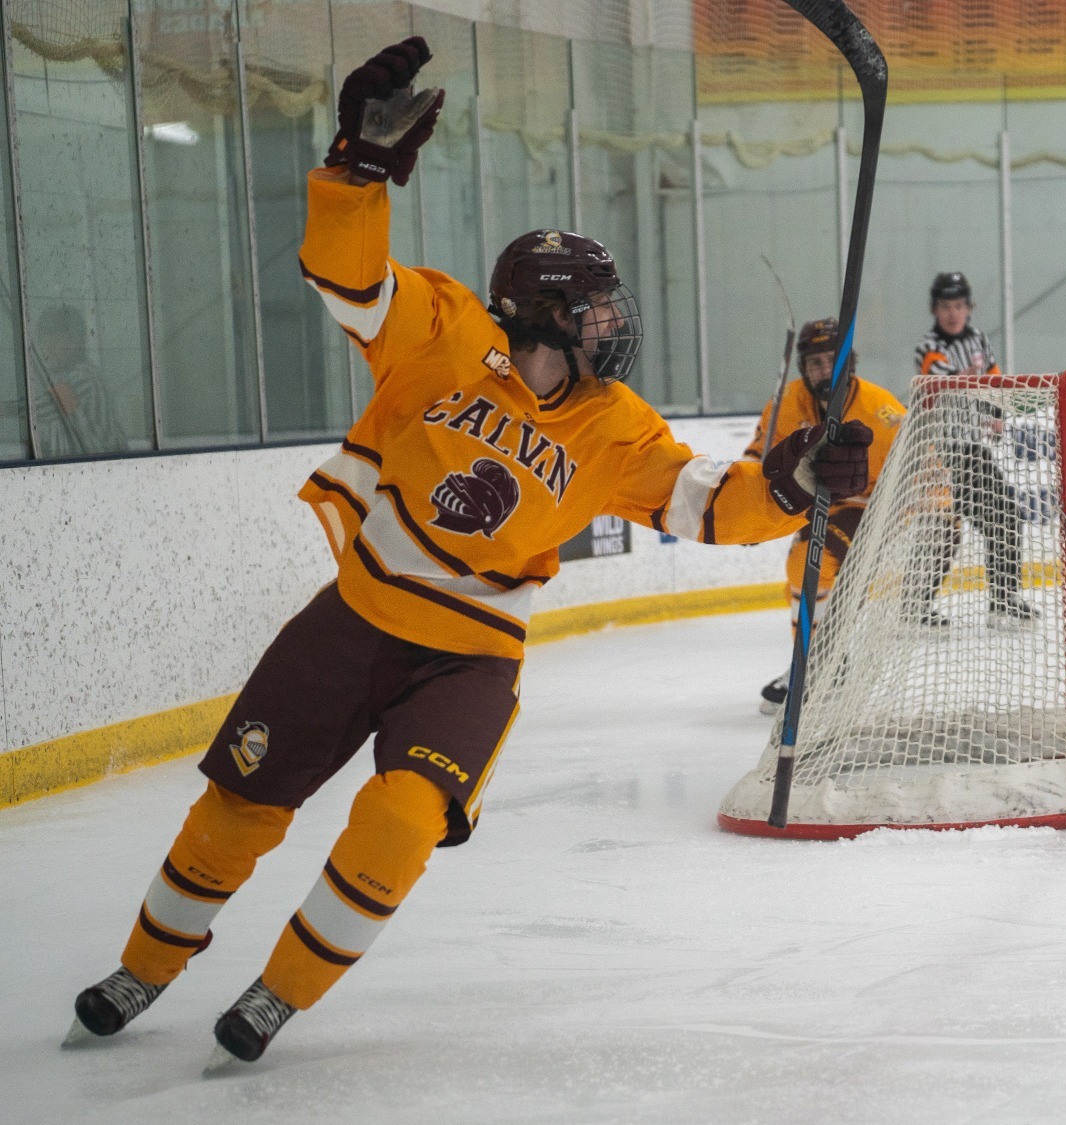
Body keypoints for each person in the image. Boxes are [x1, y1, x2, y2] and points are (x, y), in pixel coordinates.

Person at [63, 38, 872, 1067]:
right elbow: (348, 279)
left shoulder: (615, 425)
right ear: (545, 314)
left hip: (472, 656)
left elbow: (714, 505)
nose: (614, 323)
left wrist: (794, 482)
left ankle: (279, 992)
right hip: (354, 616)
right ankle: (145, 966)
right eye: (595, 307)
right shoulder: (441, 333)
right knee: (240, 803)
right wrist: (355, 174)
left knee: (402, 820)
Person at [750, 317, 906, 714]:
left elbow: (922, 467)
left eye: (832, 360)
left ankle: (812, 667)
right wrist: (746, 506)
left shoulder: (882, 410)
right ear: (804, 367)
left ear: (849, 361)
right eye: (815, 362)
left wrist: (934, 516)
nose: (824, 370)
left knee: (809, 563)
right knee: (801, 578)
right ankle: (825, 661)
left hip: (873, 507)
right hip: (816, 504)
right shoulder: (787, 403)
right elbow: (757, 459)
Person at [909, 271, 1034, 626]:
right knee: (942, 532)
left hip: (972, 452)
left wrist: (995, 414)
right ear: (934, 310)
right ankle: (914, 607)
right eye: (946, 306)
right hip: (938, 455)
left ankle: (1004, 600)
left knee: (1006, 514)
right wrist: (970, 381)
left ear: (969, 307)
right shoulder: (927, 347)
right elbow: (946, 378)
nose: (953, 313)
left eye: (959, 305)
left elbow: (993, 381)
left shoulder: (979, 339)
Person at [28, 304, 128, 457]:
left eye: (56, 340)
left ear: (76, 342)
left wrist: (6, 409)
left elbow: (40, 408)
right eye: (44, 341)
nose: (48, 347)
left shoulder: (84, 377)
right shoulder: (57, 380)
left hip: (106, 466)